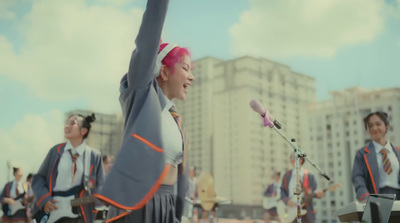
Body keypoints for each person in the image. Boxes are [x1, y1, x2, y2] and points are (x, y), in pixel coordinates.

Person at [93, 0, 195, 222]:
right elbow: (149, 35)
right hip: (138, 206)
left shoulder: (176, 121)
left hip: (167, 205)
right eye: (185, 68)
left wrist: (177, 214)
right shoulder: (141, 95)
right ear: (164, 71)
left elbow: (181, 178)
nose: (191, 77)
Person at [32, 113, 105, 223]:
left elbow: (100, 187)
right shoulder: (56, 151)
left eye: (72, 123)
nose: (67, 126)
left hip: (80, 213)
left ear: (83, 131)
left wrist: (90, 205)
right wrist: (45, 200)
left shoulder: (93, 156)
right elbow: (38, 178)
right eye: (67, 123)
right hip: (53, 212)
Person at [352, 111, 400, 201]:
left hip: (398, 198)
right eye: (370, 126)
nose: (374, 128)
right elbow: (358, 177)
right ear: (367, 130)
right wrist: (364, 197)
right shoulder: (362, 154)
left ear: (387, 127)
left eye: (378, 124)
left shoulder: (398, 152)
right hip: (376, 199)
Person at [280, 155, 324, 223]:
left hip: (306, 213)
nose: (291, 158)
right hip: (291, 211)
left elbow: (314, 191)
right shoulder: (287, 175)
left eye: (293, 156)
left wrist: (319, 194)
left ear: (301, 159)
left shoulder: (309, 176)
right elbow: (282, 191)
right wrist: (287, 201)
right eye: (290, 157)